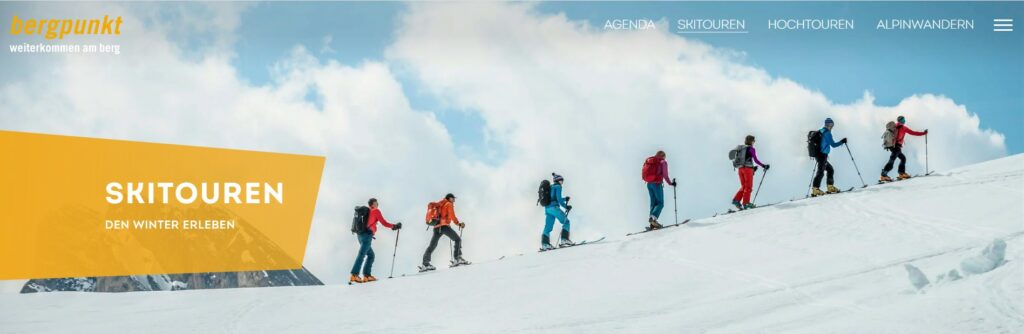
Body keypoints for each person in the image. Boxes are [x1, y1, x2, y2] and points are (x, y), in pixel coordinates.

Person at [350, 198, 401, 284]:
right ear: (373, 204)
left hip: (360, 236)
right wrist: (394, 226)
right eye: (376, 203)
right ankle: (354, 275)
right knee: (362, 254)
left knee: (371, 255)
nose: (378, 204)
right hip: (367, 236)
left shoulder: (366, 212)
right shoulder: (375, 211)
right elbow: (384, 223)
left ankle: (367, 276)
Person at [420, 193, 468, 271]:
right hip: (443, 226)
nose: (454, 200)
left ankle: (425, 264)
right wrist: (458, 223)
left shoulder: (441, 204)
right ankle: (457, 258)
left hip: (437, 227)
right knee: (457, 239)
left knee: (432, 246)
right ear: (450, 198)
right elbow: (452, 215)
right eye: (453, 198)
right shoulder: (448, 204)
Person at [880, 115, 928, 182]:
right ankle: (884, 175)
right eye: (903, 120)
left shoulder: (894, 126)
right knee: (892, 160)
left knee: (902, 158)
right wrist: (923, 133)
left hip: (893, 146)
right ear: (900, 121)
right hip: (896, 147)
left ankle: (901, 173)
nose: (904, 121)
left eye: (904, 120)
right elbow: (913, 133)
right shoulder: (903, 128)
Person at [732, 135, 770, 210]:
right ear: (751, 141)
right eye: (754, 140)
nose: (754, 142)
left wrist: (753, 168)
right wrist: (763, 166)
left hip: (740, 169)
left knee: (744, 186)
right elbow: (755, 160)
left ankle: (736, 200)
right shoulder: (751, 149)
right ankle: (746, 203)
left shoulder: (741, 148)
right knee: (748, 187)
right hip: (747, 169)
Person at [811, 118, 847, 197]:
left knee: (830, 169)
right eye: (831, 125)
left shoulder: (821, 131)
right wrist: (842, 141)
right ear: (829, 125)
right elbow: (833, 145)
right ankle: (815, 188)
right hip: (822, 155)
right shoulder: (827, 133)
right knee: (821, 171)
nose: (832, 126)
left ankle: (829, 187)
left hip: (819, 154)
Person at [642, 151, 676, 229]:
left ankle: (652, 223)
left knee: (653, 203)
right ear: (663, 156)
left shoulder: (650, 160)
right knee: (660, 203)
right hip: (657, 184)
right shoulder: (662, 162)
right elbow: (665, 175)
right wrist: (671, 183)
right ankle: (653, 219)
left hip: (649, 184)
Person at [541, 173, 574, 250]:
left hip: (547, 209)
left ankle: (545, 244)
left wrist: (564, 199)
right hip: (554, 208)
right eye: (561, 180)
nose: (562, 182)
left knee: (548, 227)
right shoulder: (558, 187)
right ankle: (564, 240)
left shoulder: (551, 187)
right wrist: (566, 207)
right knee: (566, 222)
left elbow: (554, 198)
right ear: (558, 180)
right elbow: (558, 200)